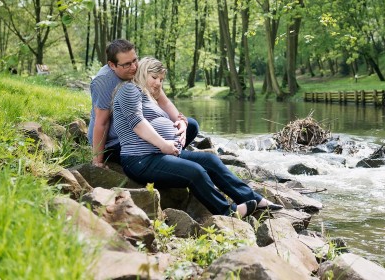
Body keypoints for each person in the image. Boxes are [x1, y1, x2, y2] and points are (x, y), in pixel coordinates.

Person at [112, 57, 283, 217]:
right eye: (154, 77)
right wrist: (164, 144)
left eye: (161, 80)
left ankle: (252, 198)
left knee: (211, 161)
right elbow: (138, 123)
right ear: (143, 73)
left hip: (159, 154)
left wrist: (181, 123)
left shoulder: (147, 95)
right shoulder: (130, 89)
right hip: (141, 159)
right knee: (196, 172)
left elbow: (171, 114)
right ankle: (228, 212)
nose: (158, 83)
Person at [88, 39, 199, 167]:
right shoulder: (104, 82)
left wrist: (181, 122)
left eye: (135, 60)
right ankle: (165, 163)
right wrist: (97, 162)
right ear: (112, 65)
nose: (134, 67)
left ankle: (172, 158)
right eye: (127, 64)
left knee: (191, 125)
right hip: (115, 142)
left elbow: (165, 103)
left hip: (137, 129)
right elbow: (102, 123)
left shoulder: (139, 69)